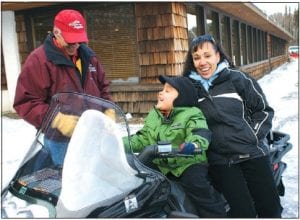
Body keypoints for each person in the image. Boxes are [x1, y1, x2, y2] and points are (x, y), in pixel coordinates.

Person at [182, 34, 282, 218]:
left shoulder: (238, 79)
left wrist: (251, 136)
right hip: (222, 160)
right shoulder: (190, 89)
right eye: (196, 58)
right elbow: (181, 117)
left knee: (271, 209)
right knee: (242, 214)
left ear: (218, 56)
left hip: (252, 152)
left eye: (207, 55)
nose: (202, 62)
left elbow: (264, 111)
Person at [13, 9, 113, 167]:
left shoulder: (89, 56)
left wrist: (108, 107)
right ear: (56, 33)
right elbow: (26, 101)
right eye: (70, 40)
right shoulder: (39, 60)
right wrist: (56, 120)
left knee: (90, 180)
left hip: (92, 135)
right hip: (59, 142)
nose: (75, 45)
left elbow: (102, 86)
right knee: (65, 183)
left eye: (78, 40)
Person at [123, 75, 227, 218]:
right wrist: (116, 143)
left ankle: (215, 214)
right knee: (135, 175)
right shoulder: (155, 115)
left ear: (181, 98)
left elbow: (200, 133)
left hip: (187, 162)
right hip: (162, 163)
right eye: (162, 89)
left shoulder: (191, 114)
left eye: (167, 91)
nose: (161, 93)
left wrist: (193, 145)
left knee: (195, 184)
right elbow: (142, 138)